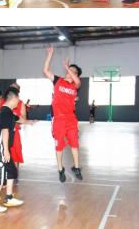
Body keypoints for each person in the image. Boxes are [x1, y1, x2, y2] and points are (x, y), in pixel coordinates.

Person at [43, 44, 83, 182]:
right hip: (59, 118)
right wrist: (50, 55)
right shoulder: (58, 81)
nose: (69, 71)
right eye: (69, 69)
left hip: (71, 118)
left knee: (75, 143)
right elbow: (45, 70)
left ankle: (76, 167)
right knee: (59, 144)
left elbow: (77, 81)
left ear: (76, 75)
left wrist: (67, 67)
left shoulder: (75, 86)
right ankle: (60, 169)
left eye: (73, 71)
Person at [0, 87, 24, 212]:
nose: (19, 101)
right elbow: (5, 131)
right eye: (18, 98)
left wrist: (29, 122)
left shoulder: (8, 111)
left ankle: (8, 198)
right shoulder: (6, 112)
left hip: (2, 147)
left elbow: (18, 119)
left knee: (11, 171)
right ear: (13, 98)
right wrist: (6, 150)